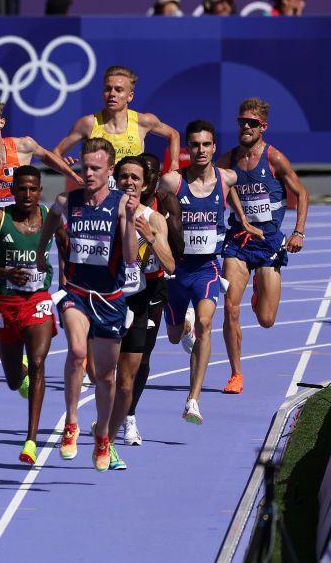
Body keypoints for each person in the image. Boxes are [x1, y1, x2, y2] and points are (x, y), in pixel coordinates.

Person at [0, 95, 81, 404]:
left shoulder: (22, 147)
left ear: (1, 123)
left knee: (10, 302)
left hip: (23, 238)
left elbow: (47, 156)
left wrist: (78, 180)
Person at [37, 138, 138, 472]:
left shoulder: (121, 203)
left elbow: (131, 255)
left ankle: (104, 436)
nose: (89, 173)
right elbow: (50, 221)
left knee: (106, 377)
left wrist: (129, 221)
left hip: (110, 299)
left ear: (110, 170)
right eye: (85, 167)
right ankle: (71, 422)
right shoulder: (69, 200)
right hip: (77, 293)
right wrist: (40, 251)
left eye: (96, 168)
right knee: (78, 353)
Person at [161, 120, 261, 424]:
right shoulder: (171, 182)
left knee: (206, 324)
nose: (201, 150)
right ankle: (184, 327)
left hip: (207, 269)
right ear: (187, 149)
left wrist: (242, 220)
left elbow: (230, 192)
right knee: (174, 336)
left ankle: (193, 399)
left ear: (214, 147)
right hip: (176, 272)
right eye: (195, 145)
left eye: (206, 144)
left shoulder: (226, 177)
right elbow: (153, 210)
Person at [218, 98, 308, 394]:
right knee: (230, 307)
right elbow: (220, 187)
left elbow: (302, 192)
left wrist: (298, 232)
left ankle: (259, 294)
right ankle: (236, 374)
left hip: (269, 243)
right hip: (238, 242)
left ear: (263, 127)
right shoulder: (227, 160)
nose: (245, 126)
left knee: (267, 320)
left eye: (252, 123)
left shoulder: (274, 158)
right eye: (242, 121)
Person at [0, 165, 61, 465]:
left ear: (39, 191)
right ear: (13, 191)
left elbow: (67, 249)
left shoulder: (50, 217)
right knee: (12, 381)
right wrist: (4, 272)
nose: (26, 194)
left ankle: (31, 440)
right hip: (6, 305)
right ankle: (18, 370)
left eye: (32, 189)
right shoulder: (0, 219)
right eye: (21, 188)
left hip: (38, 301)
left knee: (38, 362)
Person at [112, 156, 177, 451]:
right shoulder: (105, 213)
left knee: (141, 359)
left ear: (144, 184)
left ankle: (129, 416)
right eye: (124, 177)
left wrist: (150, 238)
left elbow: (171, 265)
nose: (129, 183)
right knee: (106, 363)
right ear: (116, 180)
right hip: (112, 294)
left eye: (135, 178)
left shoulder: (154, 219)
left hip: (149, 291)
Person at [52, 65, 181, 175]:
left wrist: (174, 164)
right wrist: (65, 167)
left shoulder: (143, 121)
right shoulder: (88, 123)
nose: (112, 94)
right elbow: (55, 153)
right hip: (100, 195)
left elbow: (173, 134)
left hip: (131, 192)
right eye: (108, 89)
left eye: (118, 90)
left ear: (130, 96)